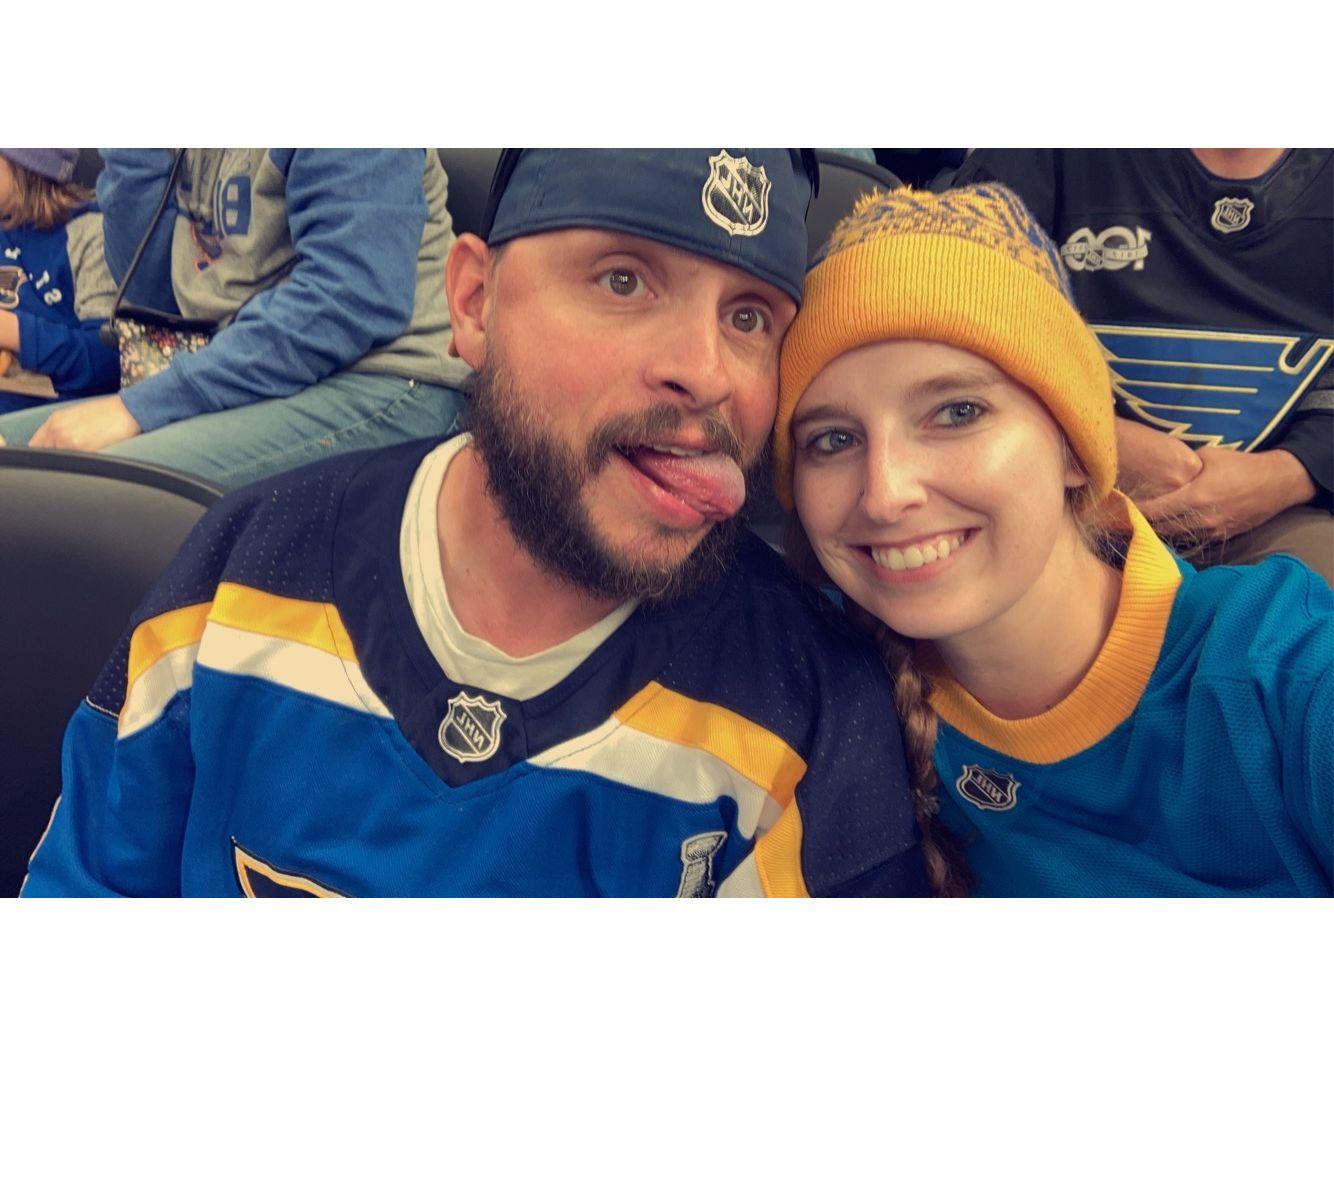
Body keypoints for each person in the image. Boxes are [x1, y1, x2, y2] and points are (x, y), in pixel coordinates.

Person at [22, 148, 927, 898]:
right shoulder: (242, 568)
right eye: (623, 280)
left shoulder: (807, 713)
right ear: (473, 302)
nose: (707, 371)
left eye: (749, 318)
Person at [773, 184, 1331, 897]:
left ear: (1073, 446)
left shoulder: (1284, 672)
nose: (885, 494)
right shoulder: (807, 674)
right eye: (833, 439)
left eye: (957, 411)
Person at [952, 149, 1333, 581]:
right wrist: (1092, 438)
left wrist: (1291, 474)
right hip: (1064, 492)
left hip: (1286, 512)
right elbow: (950, 320)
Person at [0, 149, 469, 490]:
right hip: (245, 380)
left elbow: (348, 301)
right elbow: (151, 295)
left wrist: (137, 409)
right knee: (18, 462)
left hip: (384, 379)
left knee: (86, 491)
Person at [0, 148, 119, 413]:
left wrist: (14, 332)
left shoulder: (91, 235)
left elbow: (108, 362)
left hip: (53, 410)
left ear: (26, 166)